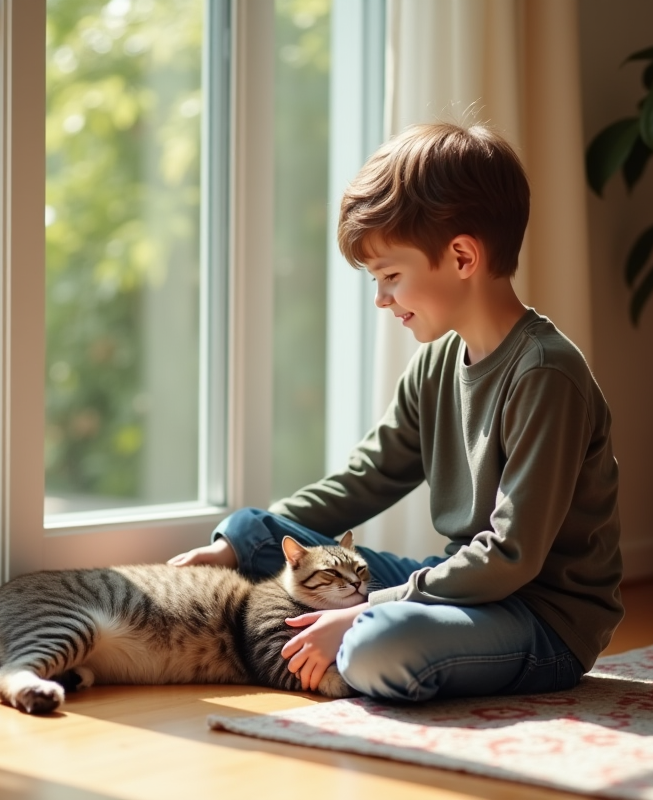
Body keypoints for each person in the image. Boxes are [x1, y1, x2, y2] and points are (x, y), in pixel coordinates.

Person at [169, 121, 624, 703]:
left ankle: (340, 638)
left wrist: (366, 611)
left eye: (390, 277)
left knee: (375, 646)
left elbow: (511, 557)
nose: (381, 299)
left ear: (462, 256)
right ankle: (313, 627)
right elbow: (364, 479)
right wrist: (233, 546)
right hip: (465, 585)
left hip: (541, 618)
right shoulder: (435, 365)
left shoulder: (545, 374)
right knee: (257, 533)